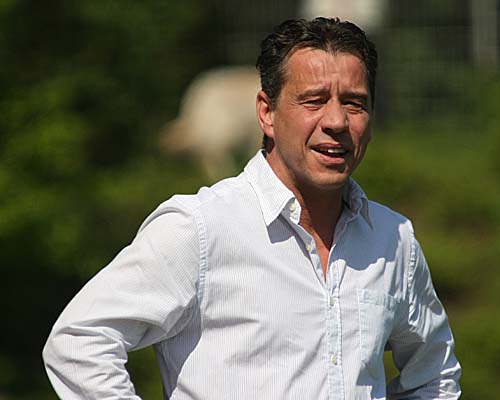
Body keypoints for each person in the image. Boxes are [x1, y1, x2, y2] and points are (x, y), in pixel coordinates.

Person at [43, 17, 461, 399]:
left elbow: (435, 376)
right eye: (313, 101)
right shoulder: (200, 228)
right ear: (266, 112)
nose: (336, 121)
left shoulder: (394, 240)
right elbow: (79, 342)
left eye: (354, 103)